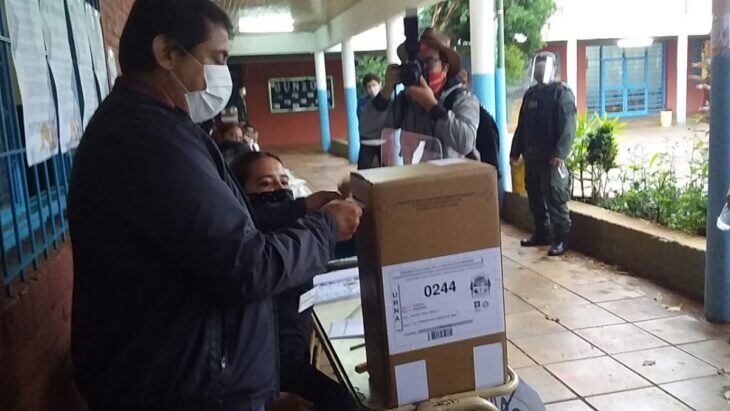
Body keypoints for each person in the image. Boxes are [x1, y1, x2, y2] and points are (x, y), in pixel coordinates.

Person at [67, 1, 362, 410]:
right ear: (167, 52)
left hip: (185, 375)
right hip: (177, 388)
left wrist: (298, 209)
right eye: (217, 58)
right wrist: (325, 228)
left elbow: (215, 226)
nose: (222, 74)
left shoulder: (159, 126)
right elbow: (245, 264)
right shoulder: (146, 141)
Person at [230, 151, 355, 411]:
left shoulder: (302, 232)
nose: (278, 189)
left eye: (284, 182)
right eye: (265, 184)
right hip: (257, 380)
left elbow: (340, 241)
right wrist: (266, 400)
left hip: (293, 365)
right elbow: (263, 221)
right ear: (240, 194)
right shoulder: (245, 245)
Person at [359, 28, 480, 161]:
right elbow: (368, 130)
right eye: (417, 63)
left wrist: (433, 106)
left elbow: (466, 143)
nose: (421, 69)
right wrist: (386, 91)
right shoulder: (406, 101)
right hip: (417, 178)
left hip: (451, 180)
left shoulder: (462, 99)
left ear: (445, 68)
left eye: (429, 62)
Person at [510, 51, 576, 257]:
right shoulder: (530, 94)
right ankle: (542, 233)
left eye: (544, 64)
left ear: (554, 67)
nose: (540, 68)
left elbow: (568, 126)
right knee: (535, 197)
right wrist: (515, 151)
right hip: (531, 156)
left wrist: (561, 153)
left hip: (551, 157)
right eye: (537, 63)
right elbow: (522, 126)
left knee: (555, 198)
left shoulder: (561, 92)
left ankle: (562, 238)